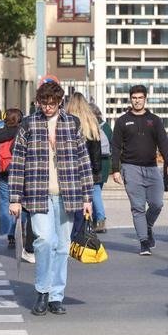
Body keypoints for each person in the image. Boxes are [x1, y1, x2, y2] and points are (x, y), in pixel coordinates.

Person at [8, 81, 94, 316]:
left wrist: (88, 197)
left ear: (60, 102)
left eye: (52, 103)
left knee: (63, 246)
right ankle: (42, 291)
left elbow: (83, 161)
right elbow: (17, 165)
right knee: (44, 241)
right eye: (44, 103)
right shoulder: (29, 124)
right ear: (38, 102)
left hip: (69, 194)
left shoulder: (72, 123)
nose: (47, 107)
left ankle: (56, 295)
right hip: (38, 194)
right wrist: (14, 198)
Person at [111, 85, 168, 256]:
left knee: (157, 203)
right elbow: (115, 147)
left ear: (145, 99)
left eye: (140, 97)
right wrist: (115, 169)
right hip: (130, 168)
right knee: (138, 207)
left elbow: (163, 143)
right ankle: (144, 241)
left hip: (152, 168)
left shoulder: (154, 120)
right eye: (134, 98)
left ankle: (147, 226)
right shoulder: (122, 121)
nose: (137, 100)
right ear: (130, 99)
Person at [65, 92, 103, 242]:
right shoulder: (91, 122)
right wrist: (96, 171)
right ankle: (78, 236)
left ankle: (67, 235)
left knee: (67, 205)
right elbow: (96, 151)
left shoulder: (66, 120)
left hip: (69, 169)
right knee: (84, 205)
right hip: (86, 171)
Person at [0, 109, 23, 249]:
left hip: (3, 173)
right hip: (20, 173)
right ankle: (21, 231)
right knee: (21, 202)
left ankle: (10, 234)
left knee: (5, 202)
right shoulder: (22, 132)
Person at [90, 103, 112, 233]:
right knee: (97, 191)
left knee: (95, 191)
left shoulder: (90, 126)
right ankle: (95, 220)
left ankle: (100, 219)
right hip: (105, 162)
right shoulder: (106, 126)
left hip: (95, 161)